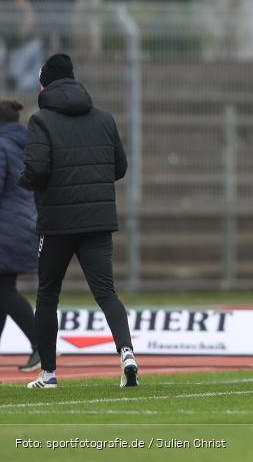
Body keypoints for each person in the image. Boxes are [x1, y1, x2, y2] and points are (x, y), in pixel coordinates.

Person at [18, 54, 137, 389]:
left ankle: (49, 373)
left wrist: (26, 183)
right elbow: (120, 167)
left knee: (47, 295)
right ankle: (127, 354)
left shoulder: (40, 121)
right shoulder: (104, 118)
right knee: (106, 293)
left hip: (57, 221)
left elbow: (37, 169)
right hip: (98, 220)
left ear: (46, 83)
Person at [0, 99, 40, 372]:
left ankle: (41, 343)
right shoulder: (27, 145)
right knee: (2, 289)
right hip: (22, 224)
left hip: (5, 227)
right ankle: (41, 344)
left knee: (4, 290)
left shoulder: (1, 146)